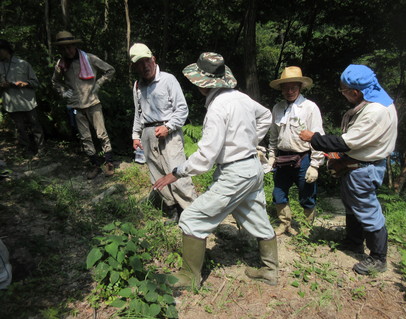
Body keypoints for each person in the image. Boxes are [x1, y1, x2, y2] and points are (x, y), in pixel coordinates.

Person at [153, 52, 278, 288]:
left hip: (235, 174)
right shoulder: (241, 98)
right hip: (253, 168)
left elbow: (205, 158)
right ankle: (270, 271)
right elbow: (266, 116)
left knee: (192, 218)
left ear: (201, 83)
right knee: (257, 217)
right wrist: (249, 143)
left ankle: (190, 277)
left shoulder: (217, 109)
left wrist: (177, 172)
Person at [299, 64, 398, 275]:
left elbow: (345, 142)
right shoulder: (377, 101)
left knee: (367, 209)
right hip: (357, 165)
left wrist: (314, 138)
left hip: (364, 168)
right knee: (352, 204)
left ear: (355, 92)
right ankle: (353, 241)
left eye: (343, 91)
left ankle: (378, 257)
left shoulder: (375, 112)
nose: (343, 94)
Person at [129, 43, 197, 223]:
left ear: (153, 59)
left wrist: (169, 126)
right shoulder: (137, 86)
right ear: (135, 67)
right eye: (139, 63)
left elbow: (182, 109)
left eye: (146, 61)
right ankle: (172, 208)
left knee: (177, 172)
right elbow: (138, 112)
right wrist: (136, 135)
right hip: (148, 133)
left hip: (169, 133)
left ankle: (190, 211)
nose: (144, 66)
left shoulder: (168, 80)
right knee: (157, 174)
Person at [268, 66, 325, 235]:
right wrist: (271, 155)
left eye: (293, 87)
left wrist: (315, 164)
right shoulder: (277, 108)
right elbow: (273, 136)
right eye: (286, 88)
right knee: (278, 192)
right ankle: (284, 223)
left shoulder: (310, 107)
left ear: (300, 88)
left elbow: (318, 136)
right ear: (281, 89)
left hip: (304, 157)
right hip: (283, 157)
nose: (290, 91)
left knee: (307, 194)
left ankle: (307, 228)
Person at [52, 31, 115, 179]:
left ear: (74, 45)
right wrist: (63, 92)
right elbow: (55, 81)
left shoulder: (89, 58)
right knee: (85, 137)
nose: (67, 51)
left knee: (101, 133)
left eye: (69, 47)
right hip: (76, 106)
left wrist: (98, 84)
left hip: (93, 102)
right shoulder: (61, 64)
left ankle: (109, 162)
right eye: (63, 48)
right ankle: (94, 165)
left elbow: (110, 70)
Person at [0, 39, 44, 157]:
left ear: (6, 50)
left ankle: (40, 149)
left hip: (27, 101)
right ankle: (27, 149)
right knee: (20, 128)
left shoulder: (23, 64)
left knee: (35, 125)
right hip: (11, 103)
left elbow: (36, 83)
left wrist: (25, 84)